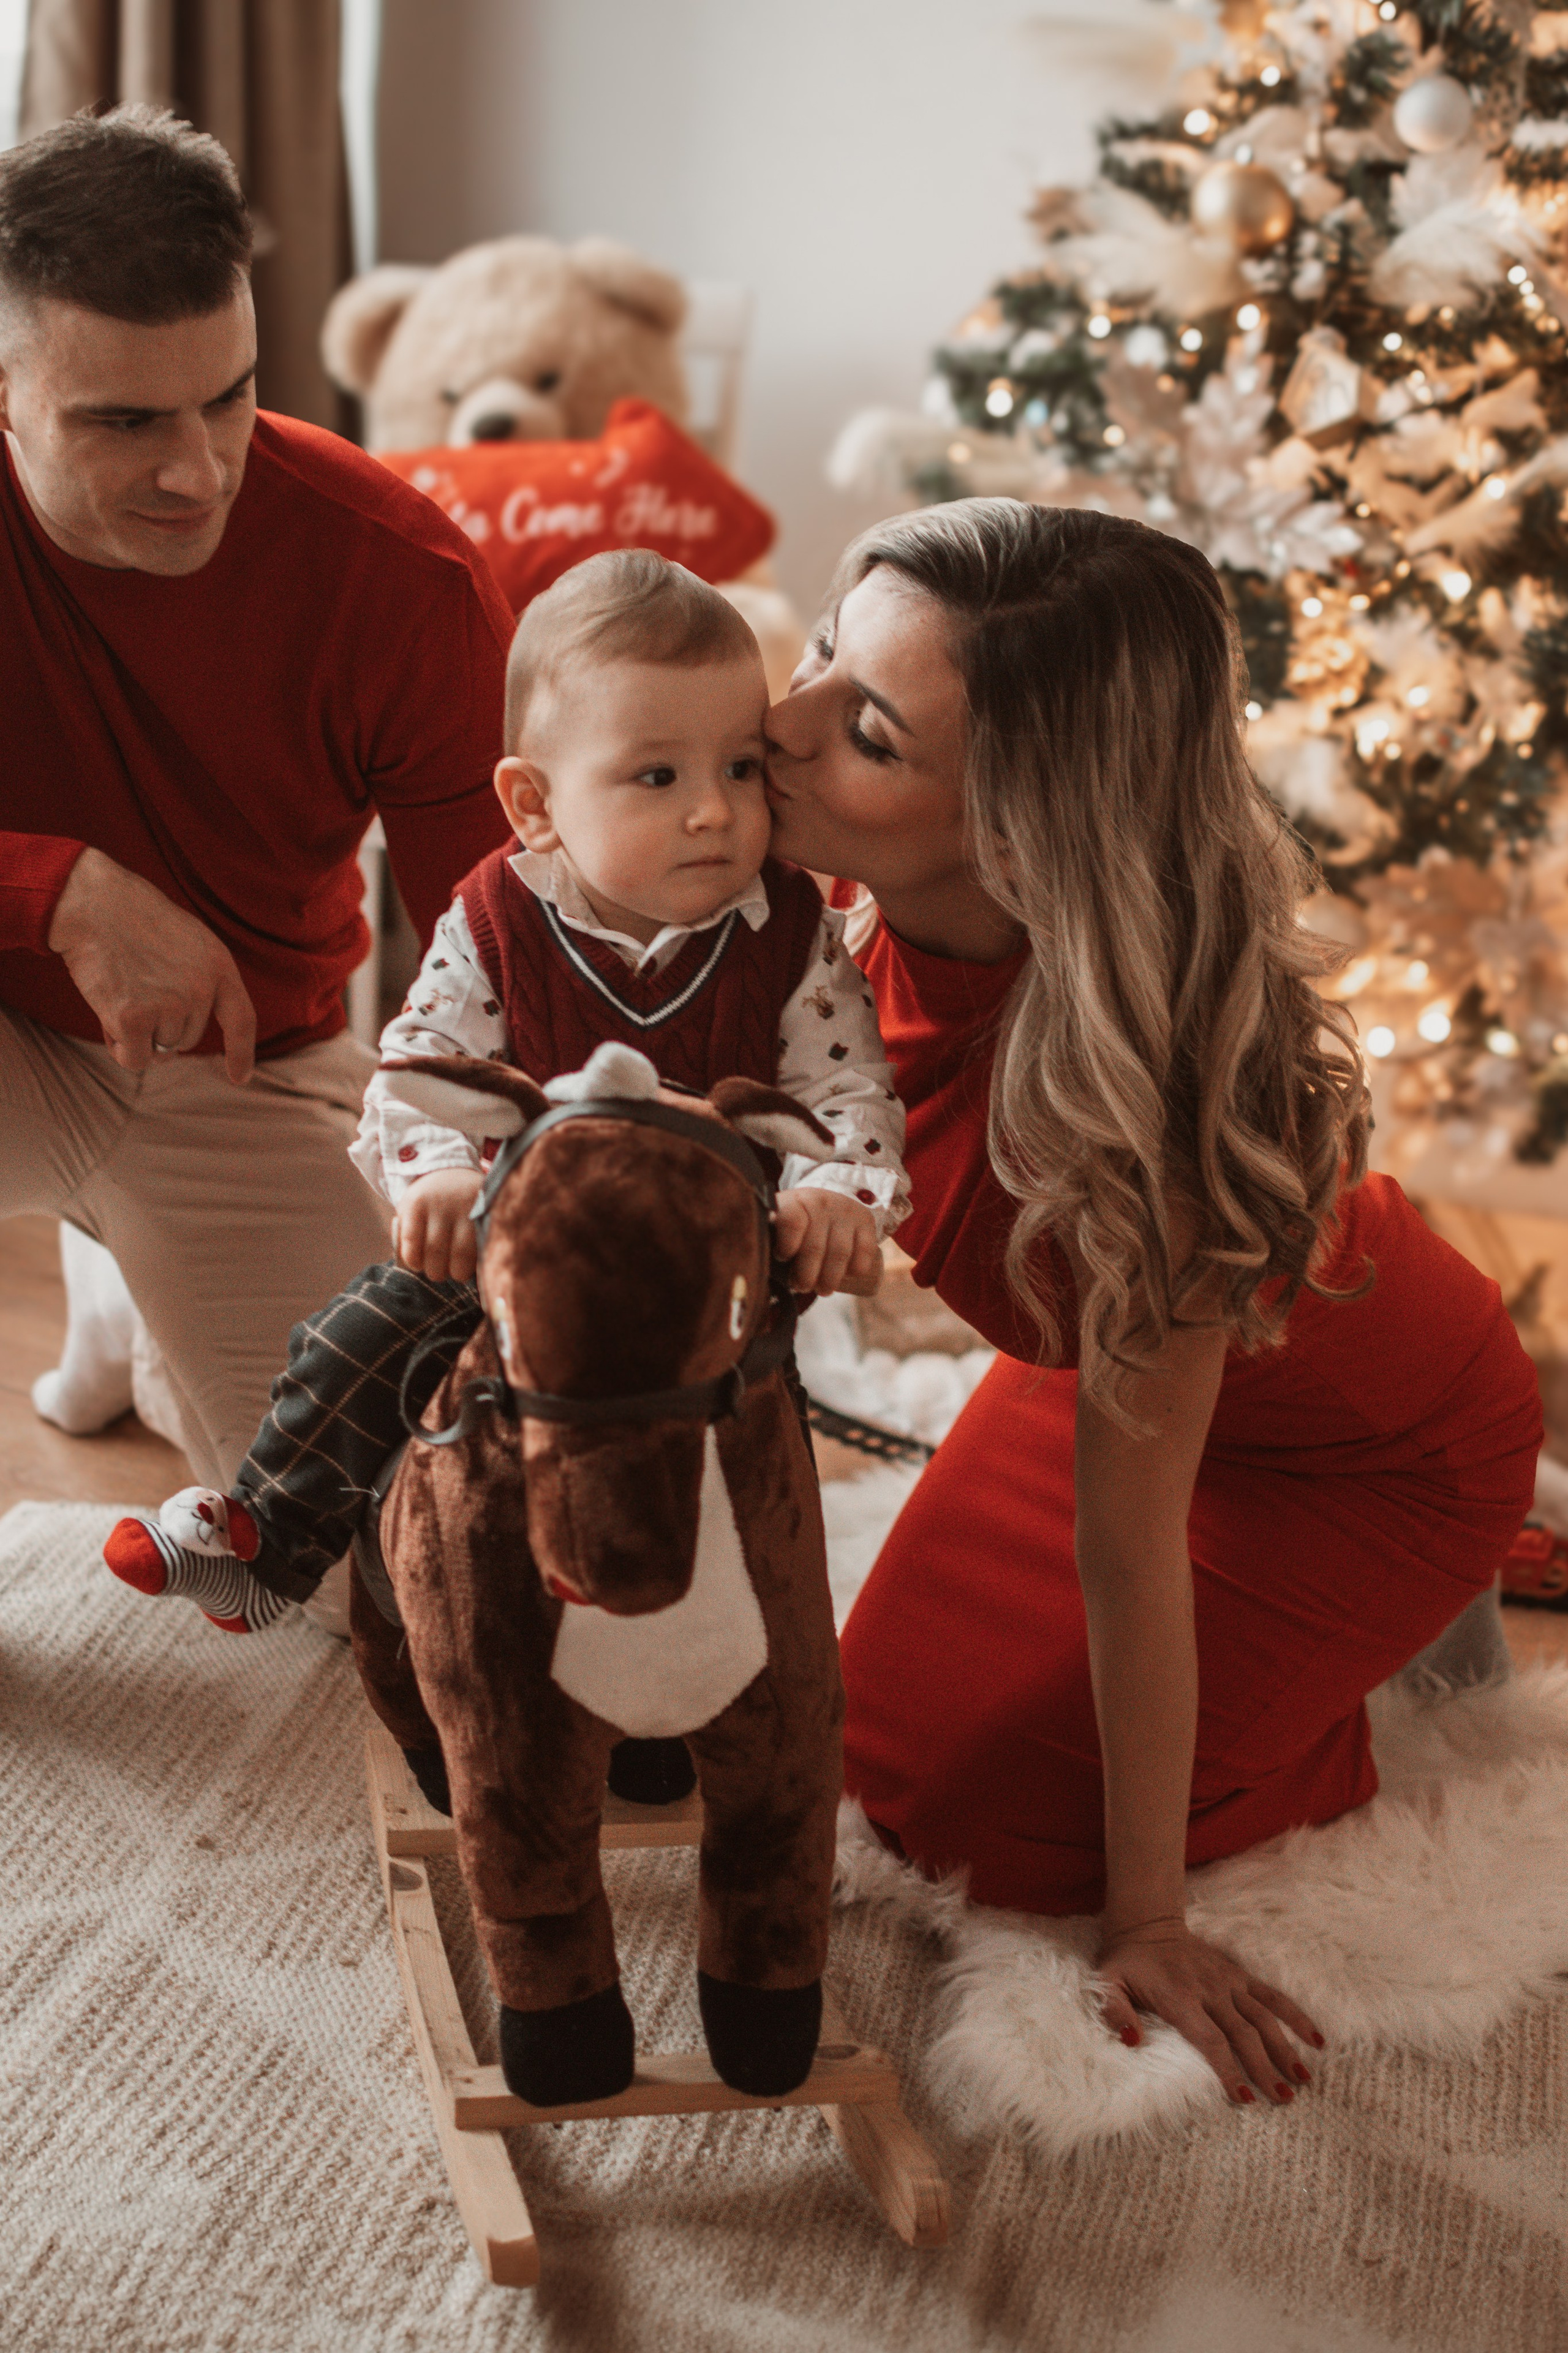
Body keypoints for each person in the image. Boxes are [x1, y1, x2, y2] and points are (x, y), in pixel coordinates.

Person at [762, 499, 1541, 2109]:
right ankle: (1397, 1621)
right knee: (879, 1750)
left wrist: (1149, 1913)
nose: (781, 726)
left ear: (1019, 837)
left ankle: (1405, 1636)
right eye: (824, 650)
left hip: (1379, 1442)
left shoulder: (1136, 1142)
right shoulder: (838, 910)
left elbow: (1129, 1551)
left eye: (870, 733)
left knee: (995, 1829)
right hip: (1168, 1369)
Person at [104, 550, 907, 1637]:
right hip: (512, 1252)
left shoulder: (790, 930)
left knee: (758, 1455)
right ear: (535, 804)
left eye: (742, 768)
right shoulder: (495, 918)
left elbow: (845, 1085)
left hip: (710, 1267)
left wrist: (835, 1196)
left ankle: (756, 1648)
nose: (715, 814)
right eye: (659, 778)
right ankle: (268, 1538)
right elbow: (420, 1066)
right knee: (358, 1334)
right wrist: (433, 1176)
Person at [0, 106, 514, 1500]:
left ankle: (136, 1298)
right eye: (123, 421)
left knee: (377, 1559)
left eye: (227, 394)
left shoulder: (402, 582)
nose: (198, 469)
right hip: (11, 1017)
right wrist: (60, 893)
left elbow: (502, 942)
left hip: (248, 1065)